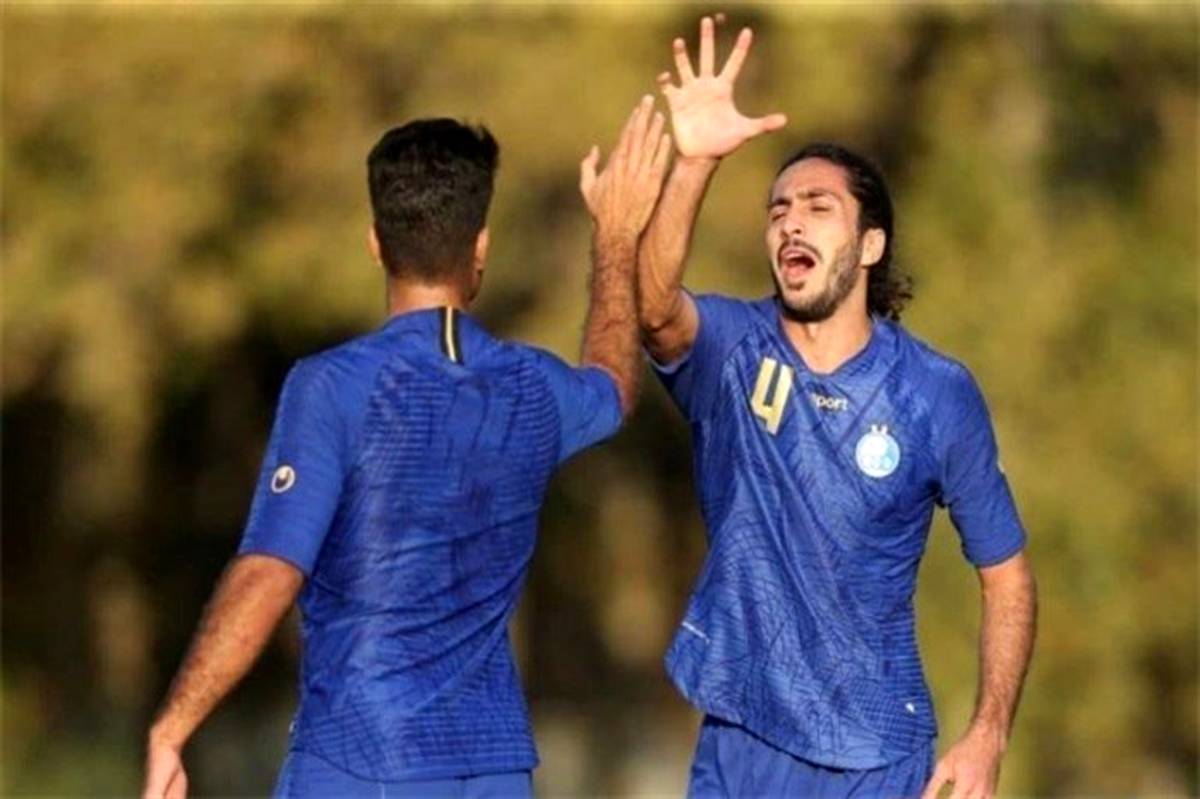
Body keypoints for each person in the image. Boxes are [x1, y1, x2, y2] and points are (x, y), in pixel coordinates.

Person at [142, 99, 672, 798]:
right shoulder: (534, 388)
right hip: (496, 770)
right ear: (480, 247)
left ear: (375, 242)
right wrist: (616, 235)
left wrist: (173, 727)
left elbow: (270, 571)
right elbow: (613, 384)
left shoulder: (332, 387)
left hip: (363, 758)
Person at [638, 17, 1037, 799]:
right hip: (742, 738)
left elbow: (1008, 576)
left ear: (871, 245)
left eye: (818, 206)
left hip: (875, 753)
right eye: (779, 208)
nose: (790, 220)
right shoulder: (734, 350)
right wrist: (694, 162)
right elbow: (654, 309)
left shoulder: (935, 392)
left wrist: (988, 733)